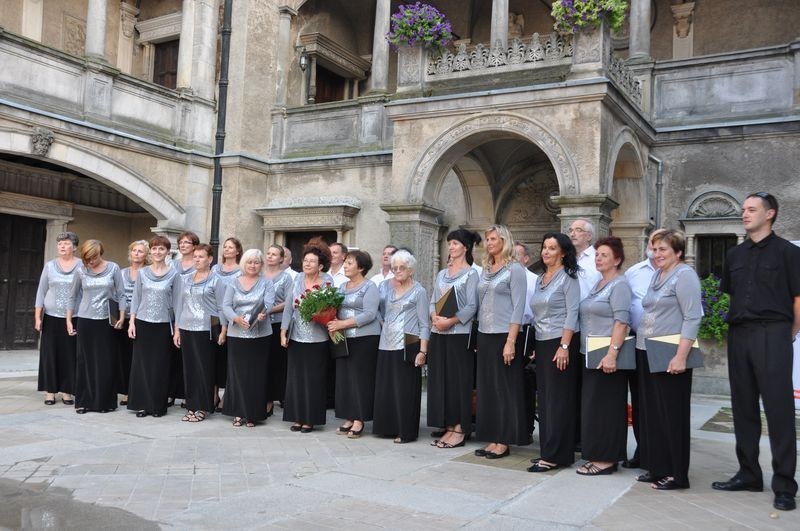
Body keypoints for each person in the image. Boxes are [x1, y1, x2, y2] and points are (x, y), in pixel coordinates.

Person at [711, 192, 799, 512]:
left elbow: (797, 299)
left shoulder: (789, 253)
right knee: (742, 406)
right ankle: (748, 473)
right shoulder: (734, 255)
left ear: (770, 214)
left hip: (773, 331)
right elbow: (733, 295)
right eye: (743, 209)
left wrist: (787, 332)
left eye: (751, 209)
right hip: (739, 334)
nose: (744, 214)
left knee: (778, 410)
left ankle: (785, 485)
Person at [636, 230, 702, 490]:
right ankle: (658, 467)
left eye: (664, 249)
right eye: (655, 249)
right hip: (648, 350)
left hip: (671, 353)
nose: (658, 253)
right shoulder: (657, 274)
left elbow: (693, 317)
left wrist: (681, 356)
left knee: (672, 415)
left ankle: (678, 474)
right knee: (653, 414)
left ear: (678, 252)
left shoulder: (685, 275)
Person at [576, 236, 632, 476]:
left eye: (605, 255)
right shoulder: (598, 284)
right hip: (589, 353)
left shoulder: (619, 284)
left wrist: (612, 354)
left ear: (617, 260)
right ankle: (596, 453)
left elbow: (622, 322)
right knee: (593, 408)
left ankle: (607, 459)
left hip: (607, 356)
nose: (598, 258)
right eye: (597, 254)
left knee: (607, 408)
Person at [528, 232, 581, 472]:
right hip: (542, 342)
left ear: (562, 252)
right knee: (546, 400)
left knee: (558, 401)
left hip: (561, 343)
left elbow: (573, 313)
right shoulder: (540, 279)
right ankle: (548, 450)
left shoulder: (568, 278)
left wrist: (564, 346)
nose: (546, 252)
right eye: (544, 247)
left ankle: (556, 454)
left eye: (551, 248)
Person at [474, 225, 528, 459]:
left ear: (504, 240)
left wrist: (511, 341)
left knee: (503, 388)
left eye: (494, 238)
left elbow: (518, 307)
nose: (489, 242)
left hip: (504, 335)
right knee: (487, 389)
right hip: (485, 334)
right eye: (487, 239)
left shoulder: (515, 269)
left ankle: (504, 439)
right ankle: (492, 436)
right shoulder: (486, 268)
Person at [427, 230, 479, 449]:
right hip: (439, 333)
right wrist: (434, 317)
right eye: (449, 243)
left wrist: (450, 322)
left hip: (459, 334)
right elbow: (433, 300)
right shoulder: (441, 274)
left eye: (455, 243)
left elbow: (472, 306)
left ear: (465, 247)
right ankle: (448, 425)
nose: (451, 247)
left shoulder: (471, 274)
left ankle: (460, 428)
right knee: (442, 380)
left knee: (459, 382)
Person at [373, 250, 430, 443]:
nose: (397, 271)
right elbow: (378, 312)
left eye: (402, 268)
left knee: (405, 389)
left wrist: (423, 350)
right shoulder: (387, 289)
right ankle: (387, 428)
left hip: (409, 343)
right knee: (386, 387)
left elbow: (424, 323)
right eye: (394, 268)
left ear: (411, 270)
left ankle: (405, 431)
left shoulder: (419, 291)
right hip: (385, 343)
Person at [623, 228, 666, 470]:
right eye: (654, 243)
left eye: (662, 245)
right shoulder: (634, 272)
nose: (657, 249)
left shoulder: (679, 274)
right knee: (639, 400)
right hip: (637, 342)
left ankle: (659, 452)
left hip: (664, 344)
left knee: (659, 402)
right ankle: (642, 449)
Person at [280, 242, 334, 433]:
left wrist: (318, 312)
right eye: (305, 260)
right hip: (296, 336)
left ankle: (310, 419)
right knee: (296, 378)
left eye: (312, 261)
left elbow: (330, 309)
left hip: (317, 338)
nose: (307, 264)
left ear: (320, 265)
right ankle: (297, 417)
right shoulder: (297, 279)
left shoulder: (328, 281)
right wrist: (283, 331)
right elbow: (288, 306)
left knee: (313, 379)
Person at [66, 239, 125, 414]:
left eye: (94, 257)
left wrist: (121, 317)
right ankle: (84, 402)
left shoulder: (113, 268)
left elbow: (121, 294)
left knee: (105, 362)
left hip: (106, 321)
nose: (91, 261)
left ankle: (104, 402)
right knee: (85, 361)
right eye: (87, 258)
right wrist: (69, 320)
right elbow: (72, 296)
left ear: (101, 253)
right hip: (85, 321)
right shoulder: (80, 270)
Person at [326, 250, 381, 439]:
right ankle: (348, 416)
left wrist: (342, 324)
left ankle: (360, 419)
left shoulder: (370, 287)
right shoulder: (341, 287)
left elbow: (369, 314)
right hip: (343, 339)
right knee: (344, 379)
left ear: (362, 267)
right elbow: (333, 309)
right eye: (346, 263)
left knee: (360, 379)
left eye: (350, 263)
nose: (346, 266)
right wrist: (331, 323)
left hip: (365, 338)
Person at [173, 244, 227, 423]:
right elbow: (180, 305)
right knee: (189, 370)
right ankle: (191, 406)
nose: (197, 259)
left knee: (204, 369)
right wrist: (177, 330)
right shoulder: (185, 279)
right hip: (187, 328)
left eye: (201, 256)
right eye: (195, 256)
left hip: (207, 330)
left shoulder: (216, 280)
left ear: (210, 259)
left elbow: (221, 307)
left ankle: (203, 407)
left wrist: (223, 330)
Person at [222, 249, 275, 427]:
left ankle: (252, 414)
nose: (253, 265)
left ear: (261, 265)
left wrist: (262, 315)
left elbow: (268, 303)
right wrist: (236, 319)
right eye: (250, 262)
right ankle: (238, 412)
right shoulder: (233, 282)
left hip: (260, 336)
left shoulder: (267, 283)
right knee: (237, 374)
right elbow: (226, 306)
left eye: (257, 262)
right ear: (244, 263)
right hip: (237, 334)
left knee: (256, 375)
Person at [126, 236, 178, 418]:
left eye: (161, 249)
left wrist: (177, 330)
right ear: (151, 252)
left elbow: (178, 303)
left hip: (163, 325)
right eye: (154, 249)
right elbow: (136, 299)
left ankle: (157, 405)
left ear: (167, 252)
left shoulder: (174, 274)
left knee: (160, 366)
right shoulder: (142, 273)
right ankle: (141, 404)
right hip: (142, 323)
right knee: (142, 365)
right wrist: (131, 322)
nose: (157, 252)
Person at [34, 231, 80, 406]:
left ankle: (67, 392)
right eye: (60, 243)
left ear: (74, 247)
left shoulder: (82, 266)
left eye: (66, 243)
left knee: (70, 354)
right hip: (51, 318)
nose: (62, 246)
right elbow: (41, 291)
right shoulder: (50, 265)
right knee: (50, 354)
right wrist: (38, 317)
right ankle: (50, 391)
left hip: (74, 317)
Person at [211, 237, 243, 411]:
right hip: (215, 317)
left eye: (231, 247)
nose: (227, 250)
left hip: (233, 318)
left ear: (238, 251)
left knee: (230, 359)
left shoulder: (241, 271)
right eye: (225, 247)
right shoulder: (215, 268)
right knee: (215, 357)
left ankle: (227, 396)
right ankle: (214, 394)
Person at [118, 240, 149, 407]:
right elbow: (118, 294)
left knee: (138, 357)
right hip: (123, 319)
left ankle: (136, 390)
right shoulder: (122, 273)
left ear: (146, 255)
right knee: (125, 357)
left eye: (140, 251)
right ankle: (126, 391)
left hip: (140, 319)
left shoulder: (148, 272)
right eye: (134, 251)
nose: (137, 253)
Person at [264, 244, 293, 416]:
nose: (270, 256)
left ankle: (272, 399)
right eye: (268, 253)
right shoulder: (259, 275)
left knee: (276, 363)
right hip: (259, 325)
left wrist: (268, 310)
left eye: (274, 254)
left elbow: (289, 302)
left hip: (277, 323)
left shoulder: (286, 278)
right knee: (263, 362)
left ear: (281, 259)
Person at [171, 231, 199, 408]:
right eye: (181, 242)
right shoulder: (172, 264)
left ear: (194, 245)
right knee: (171, 356)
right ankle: (171, 393)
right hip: (172, 311)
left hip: (191, 313)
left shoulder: (198, 265)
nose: (183, 245)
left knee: (187, 357)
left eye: (187, 243)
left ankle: (188, 395)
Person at [514, 241, 539, 441]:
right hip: (504, 333)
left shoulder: (534, 279)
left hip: (526, 333)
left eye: (517, 255)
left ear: (526, 259)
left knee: (523, 382)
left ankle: (526, 426)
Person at [569, 219, 602, 301]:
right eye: (571, 230)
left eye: (578, 230)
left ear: (589, 236)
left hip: (591, 310)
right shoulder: (566, 258)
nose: (572, 234)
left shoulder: (598, 258)